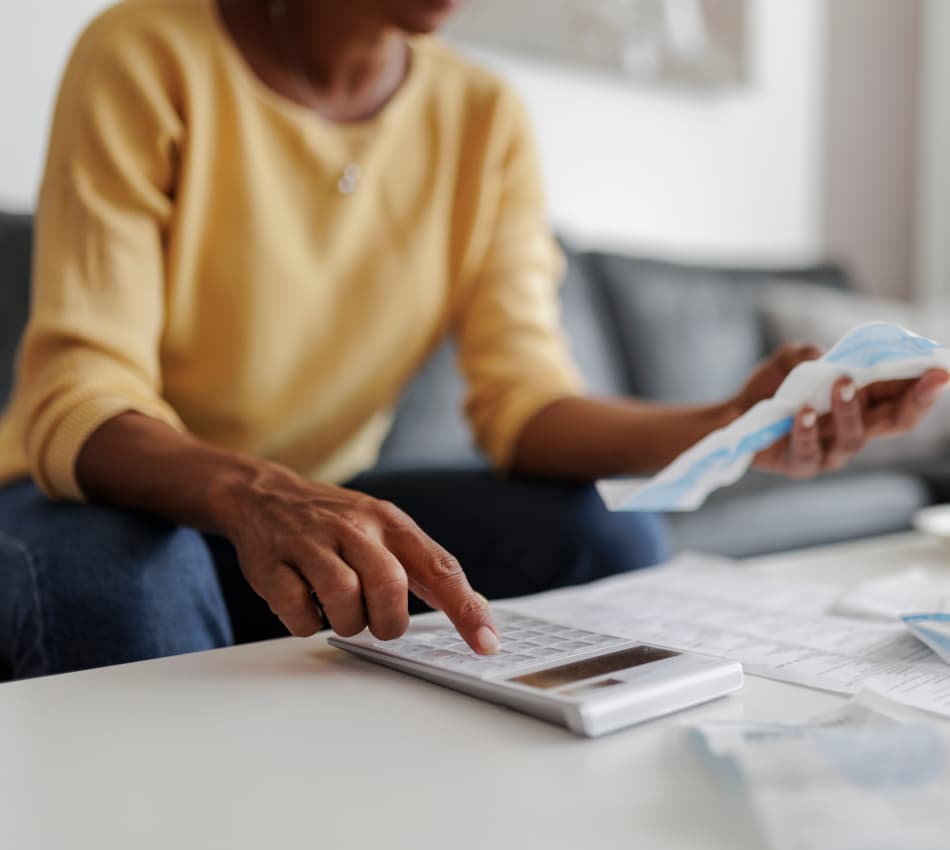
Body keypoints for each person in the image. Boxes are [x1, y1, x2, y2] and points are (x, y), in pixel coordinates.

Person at [0, 0, 945, 681]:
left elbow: (524, 403)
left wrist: (730, 424)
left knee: (605, 533)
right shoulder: (146, 50)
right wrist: (258, 494)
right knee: (131, 584)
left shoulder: (483, 117)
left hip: (322, 501)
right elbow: (80, 392)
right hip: (103, 493)